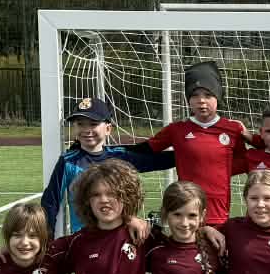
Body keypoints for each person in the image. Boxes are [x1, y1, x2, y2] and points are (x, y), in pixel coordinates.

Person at [39, 96, 172, 232]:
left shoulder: (121, 157)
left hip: (118, 236)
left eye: (93, 124)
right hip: (84, 238)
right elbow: (50, 202)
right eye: (80, 124)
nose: (86, 129)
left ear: (108, 129)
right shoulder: (68, 162)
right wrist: (47, 237)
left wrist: (184, 148)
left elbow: (157, 161)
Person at [146, 60, 245, 225]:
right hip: (186, 212)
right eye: (195, 95)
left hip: (218, 211)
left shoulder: (233, 129)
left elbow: (245, 161)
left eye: (208, 95)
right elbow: (149, 148)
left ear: (218, 97)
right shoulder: (176, 129)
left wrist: (217, 169)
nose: (201, 101)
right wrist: (115, 153)